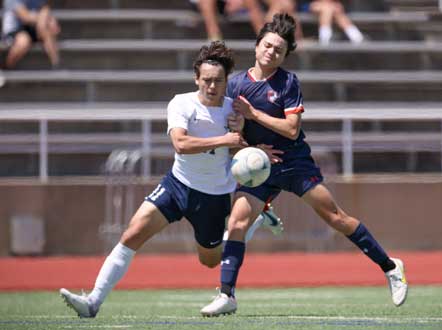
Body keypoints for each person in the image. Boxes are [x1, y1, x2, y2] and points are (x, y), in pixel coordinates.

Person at [200, 13, 407, 317]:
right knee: (236, 223)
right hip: (261, 167)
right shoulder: (235, 85)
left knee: (336, 218)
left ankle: (391, 268)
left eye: (279, 50)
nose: (271, 52)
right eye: (268, 46)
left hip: (295, 164)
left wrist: (253, 114)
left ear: (284, 55)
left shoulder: (288, 81)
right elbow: (232, 135)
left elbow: (291, 129)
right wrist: (254, 149)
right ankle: (227, 295)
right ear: (257, 46)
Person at [59, 41, 277, 318]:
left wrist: (251, 147)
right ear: (196, 78)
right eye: (206, 80)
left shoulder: (234, 110)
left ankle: (249, 225)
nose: (212, 86)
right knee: (132, 234)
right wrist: (226, 138)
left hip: (213, 196)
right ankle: (92, 302)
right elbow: (181, 144)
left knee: (210, 261)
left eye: (218, 81)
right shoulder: (181, 102)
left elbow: (238, 147)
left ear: (226, 81)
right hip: (177, 185)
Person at [1, 0, 60, 69]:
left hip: (31, 28)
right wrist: (46, 19)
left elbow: (45, 9)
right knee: (23, 40)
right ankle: (6, 68)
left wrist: (50, 21)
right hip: (13, 30)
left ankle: (56, 65)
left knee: (46, 31)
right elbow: (25, 17)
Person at [300, 0, 364, 45]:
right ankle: (325, 40)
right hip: (309, 5)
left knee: (332, 10)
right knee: (327, 8)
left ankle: (358, 39)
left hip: (332, 7)